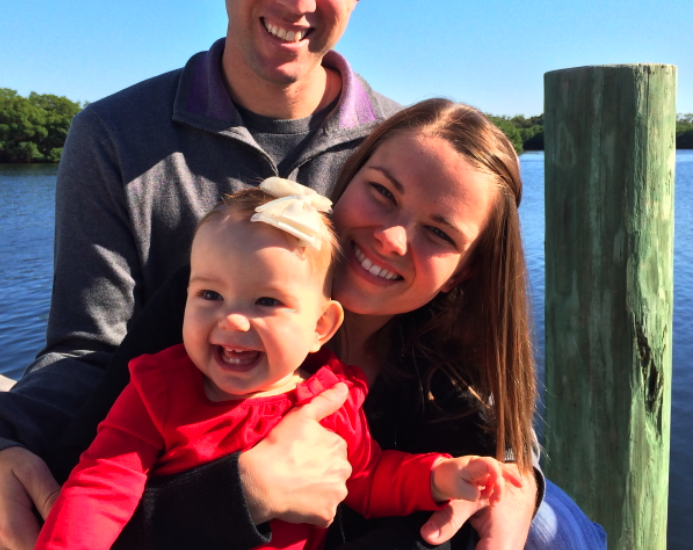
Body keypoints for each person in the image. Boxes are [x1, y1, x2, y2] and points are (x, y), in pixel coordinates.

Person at [0, 0, 601, 549]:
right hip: (174, 468)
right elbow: (85, 353)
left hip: (362, 463)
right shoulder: (114, 136)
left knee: (555, 528)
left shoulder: (406, 152)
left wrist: (513, 473)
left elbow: (474, 345)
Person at [45, 100, 606, 550]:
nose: (391, 238)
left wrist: (493, 482)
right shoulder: (198, 316)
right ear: (345, 179)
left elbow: (379, 480)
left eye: (439, 233)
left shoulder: (441, 383)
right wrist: (243, 493)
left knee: (558, 527)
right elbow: (85, 481)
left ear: (465, 274)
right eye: (382, 193)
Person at [36, 178, 520, 550]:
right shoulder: (157, 390)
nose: (232, 319)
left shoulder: (331, 398)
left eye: (266, 301)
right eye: (209, 294)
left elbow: (367, 479)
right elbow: (99, 488)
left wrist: (440, 476)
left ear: (321, 327)